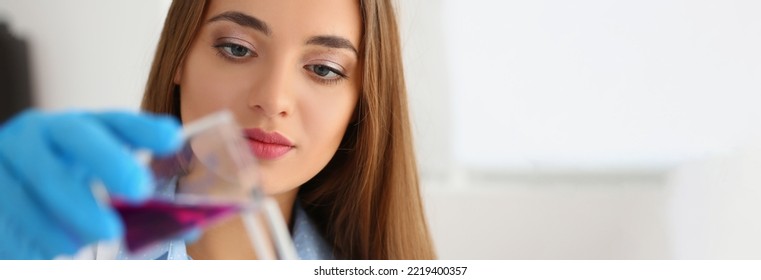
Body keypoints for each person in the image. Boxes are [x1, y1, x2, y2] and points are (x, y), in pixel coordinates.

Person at [0, 0, 436, 260]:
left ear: (362, 103)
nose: (273, 99)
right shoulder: (70, 242)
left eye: (323, 68)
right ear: (179, 57)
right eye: (237, 48)